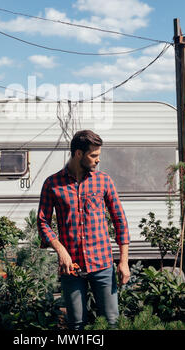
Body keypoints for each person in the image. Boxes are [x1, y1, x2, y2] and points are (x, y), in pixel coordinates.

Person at [37, 129, 130, 330]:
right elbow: (43, 221)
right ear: (79, 153)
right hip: (72, 269)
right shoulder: (52, 184)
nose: (98, 160)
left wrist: (123, 261)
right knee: (76, 325)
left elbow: (120, 220)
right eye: (93, 155)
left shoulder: (103, 181)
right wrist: (61, 250)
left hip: (103, 264)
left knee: (111, 322)